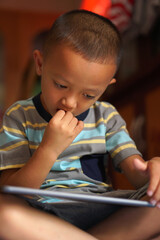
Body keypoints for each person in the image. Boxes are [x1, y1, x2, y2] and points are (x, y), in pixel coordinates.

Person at [0, 9, 160, 240]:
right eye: (61, 85)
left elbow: (136, 173)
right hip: (42, 215)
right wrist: (49, 149)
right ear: (40, 64)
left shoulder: (106, 116)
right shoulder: (18, 116)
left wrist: (152, 170)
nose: (70, 102)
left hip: (102, 210)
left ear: (105, 87)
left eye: (88, 94)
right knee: (3, 211)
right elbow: (13, 190)